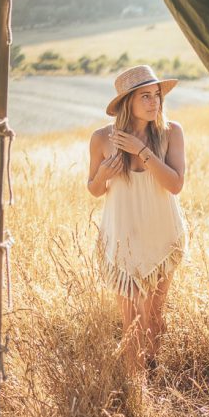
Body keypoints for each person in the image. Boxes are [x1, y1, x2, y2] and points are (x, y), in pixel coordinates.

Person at [86, 65, 188, 372]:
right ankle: (135, 385)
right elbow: (94, 188)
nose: (154, 102)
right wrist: (103, 174)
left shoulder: (171, 133)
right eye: (145, 96)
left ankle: (152, 373)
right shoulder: (102, 139)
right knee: (131, 319)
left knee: (154, 316)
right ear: (127, 102)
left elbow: (175, 185)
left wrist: (142, 151)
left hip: (162, 235)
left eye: (156, 95)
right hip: (122, 238)